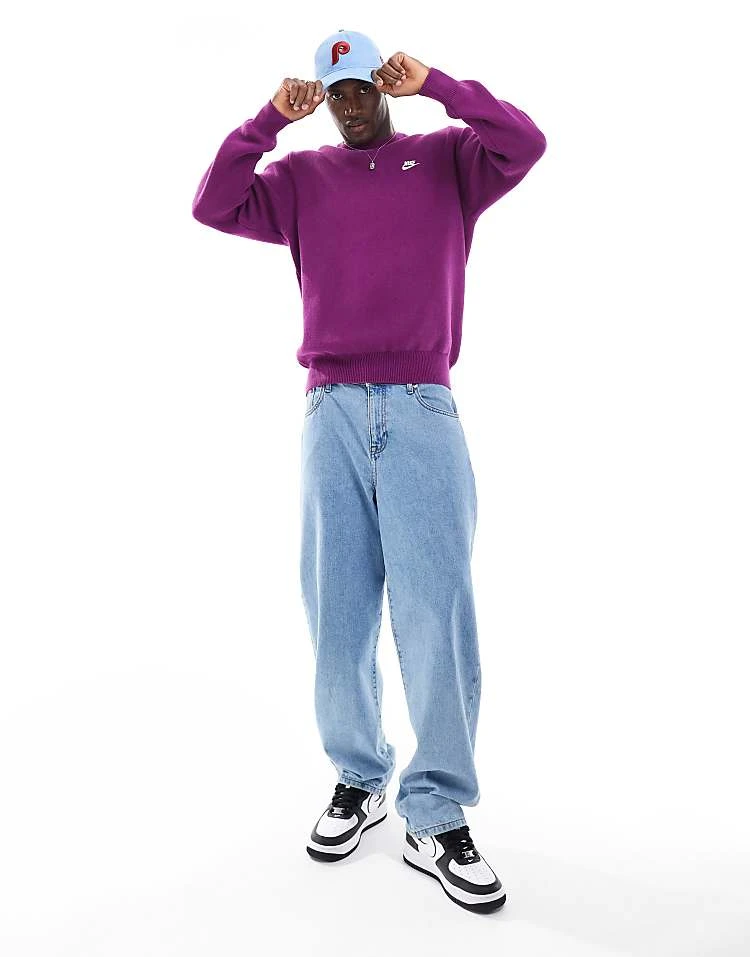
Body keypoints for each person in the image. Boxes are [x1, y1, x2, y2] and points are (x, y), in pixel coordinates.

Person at [192, 28, 546, 914]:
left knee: (436, 611)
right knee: (338, 610)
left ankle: (437, 810)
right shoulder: (300, 178)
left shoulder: (450, 159)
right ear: (324, 96)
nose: (350, 105)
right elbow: (212, 203)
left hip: (423, 405)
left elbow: (525, 142)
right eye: (336, 92)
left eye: (362, 88)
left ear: (383, 86)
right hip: (331, 411)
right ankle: (360, 774)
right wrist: (266, 122)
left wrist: (440, 85)